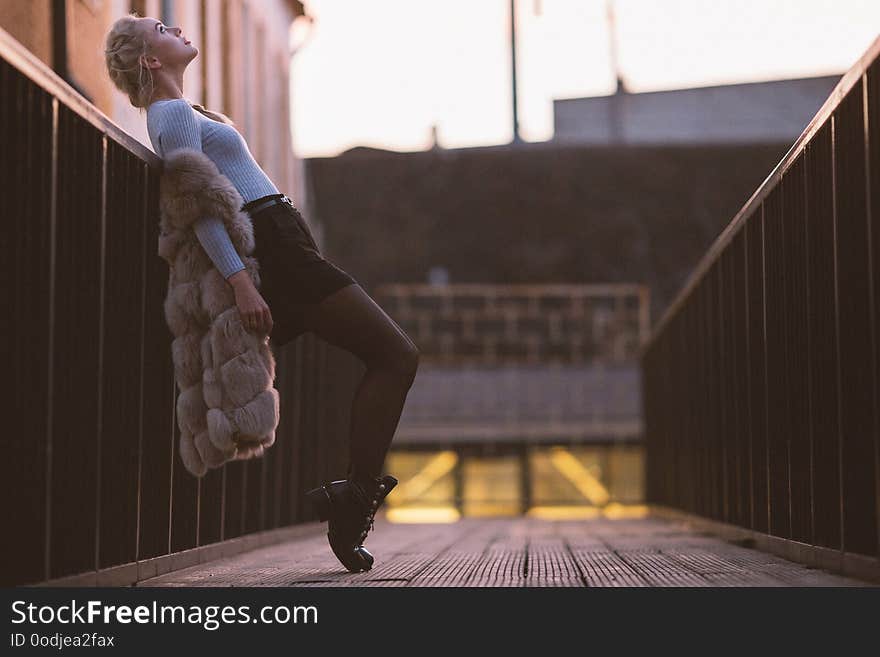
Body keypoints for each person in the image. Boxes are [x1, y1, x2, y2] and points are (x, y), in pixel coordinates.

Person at [103, 12, 418, 572]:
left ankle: (352, 498)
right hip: (271, 249)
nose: (175, 29)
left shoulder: (189, 110)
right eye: (160, 30)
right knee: (394, 354)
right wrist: (241, 282)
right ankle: (353, 499)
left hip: (282, 239)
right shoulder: (170, 113)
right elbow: (195, 205)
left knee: (387, 356)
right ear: (151, 60)